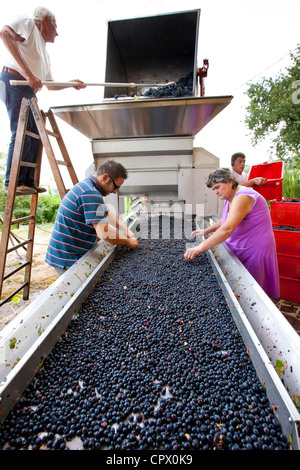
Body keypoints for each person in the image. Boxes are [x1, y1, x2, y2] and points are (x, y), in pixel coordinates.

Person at [0, 6, 86, 195]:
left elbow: (50, 85)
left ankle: (27, 181)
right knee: (20, 130)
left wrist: (71, 83)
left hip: (28, 87)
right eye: (55, 26)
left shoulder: (44, 54)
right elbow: (4, 33)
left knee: (35, 133)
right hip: (14, 81)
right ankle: (12, 182)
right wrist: (30, 75)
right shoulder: (28, 24)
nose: (57, 32)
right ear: (45, 20)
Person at [184, 168, 280, 298]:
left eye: (218, 187)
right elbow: (226, 219)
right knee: (242, 286)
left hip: (255, 249)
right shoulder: (231, 196)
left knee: (252, 292)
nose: (216, 192)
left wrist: (199, 248)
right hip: (243, 245)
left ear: (230, 181)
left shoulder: (243, 196)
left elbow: (227, 229)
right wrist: (207, 230)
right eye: (213, 189)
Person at [45, 160, 139, 276]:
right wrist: (129, 242)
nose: (115, 192)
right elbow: (104, 233)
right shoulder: (90, 193)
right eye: (115, 187)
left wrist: (126, 229)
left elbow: (106, 213)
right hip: (68, 257)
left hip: (68, 251)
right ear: (105, 178)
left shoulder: (88, 186)